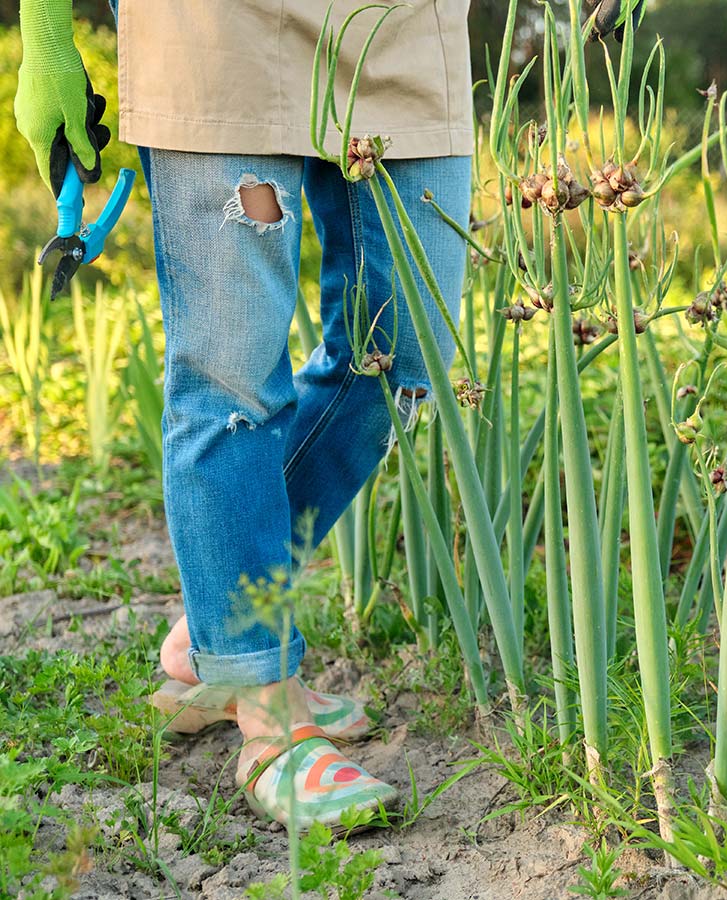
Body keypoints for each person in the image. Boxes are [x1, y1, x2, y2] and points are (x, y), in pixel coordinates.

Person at [15, 0, 473, 830]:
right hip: (213, 27)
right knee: (229, 383)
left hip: (407, 24)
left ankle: (218, 638)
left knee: (404, 358)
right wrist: (46, 34)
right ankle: (266, 713)